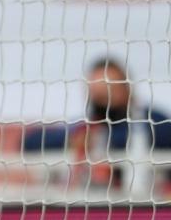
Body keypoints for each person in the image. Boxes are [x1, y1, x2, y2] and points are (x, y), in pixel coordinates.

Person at [22, 56, 171, 194]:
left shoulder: (152, 121)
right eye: (98, 94)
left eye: (110, 91)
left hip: (145, 205)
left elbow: (149, 135)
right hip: (93, 206)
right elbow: (31, 142)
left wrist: (101, 138)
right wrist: (73, 140)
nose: (104, 100)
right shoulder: (85, 127)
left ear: (127, 89)